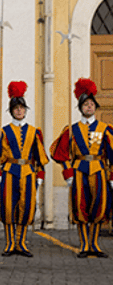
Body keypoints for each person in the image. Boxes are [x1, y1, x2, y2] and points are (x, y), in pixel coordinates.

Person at [0, 80, 49, 257]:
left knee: (26, 208)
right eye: (16, 108)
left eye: (22, 108)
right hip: (9, 172)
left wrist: (40, 175)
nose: (19, 111)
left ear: (25, 110)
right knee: (8, 207)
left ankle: (21, 242)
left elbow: (39, 156)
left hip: (27, 173)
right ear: (11, 111)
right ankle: (10, 243)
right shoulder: (3, 132)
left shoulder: (34, 132)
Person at [49, 78, 113, 258]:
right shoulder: (71, 130)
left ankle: (95, 245)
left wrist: (112, 175)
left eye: (92, 104)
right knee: (81, 207)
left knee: (98, 208)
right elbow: (61, 153)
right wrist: (68, 172)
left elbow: (112, 154)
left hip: (99, 171)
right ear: (80, 107)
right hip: (78, 171)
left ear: (96, 107)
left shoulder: (105, 129)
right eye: (85, 104)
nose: (89, 107)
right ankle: (84, 245)